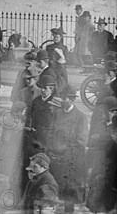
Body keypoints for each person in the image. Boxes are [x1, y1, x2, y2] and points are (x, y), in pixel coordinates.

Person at [48, 85, 88, 213]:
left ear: (71, 99)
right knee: (53, 193)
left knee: (67, 198)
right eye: (60, 97)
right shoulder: (57, 113)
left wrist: (65, 153)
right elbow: (50, 133)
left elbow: (81, 143)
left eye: (63, 98)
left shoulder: (81, 117)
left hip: (69, 164)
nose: (60, 100)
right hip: (54, 161)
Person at [27, 74, 60, 153]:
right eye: (41, 87)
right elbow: (31, 117)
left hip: (48, 138)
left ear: (51, 90)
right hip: (35, 136)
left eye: (45, 88)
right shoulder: (36, 101)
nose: (42, 90)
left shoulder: (55, 104)